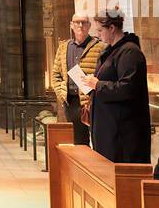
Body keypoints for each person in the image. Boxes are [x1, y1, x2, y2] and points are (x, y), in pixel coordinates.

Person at [84, 11, 151, 163]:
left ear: (112, 28)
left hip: (122, 133)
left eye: (101, 30)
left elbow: (127, 88)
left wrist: (98, 85)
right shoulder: (111, 50)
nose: (98, 34)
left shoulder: (130, 52)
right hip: (109, 127)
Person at [51, 14, 102, 145]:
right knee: (79, 142)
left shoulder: (99, 47)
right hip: (71, 102)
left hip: (92, 101)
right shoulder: (63, 48)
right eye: (77, 22)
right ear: (71, 25)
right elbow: (56, 74)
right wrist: (61, 95)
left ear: (89, 26)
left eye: (84, 23)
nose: (80, 26)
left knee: (99, 140)